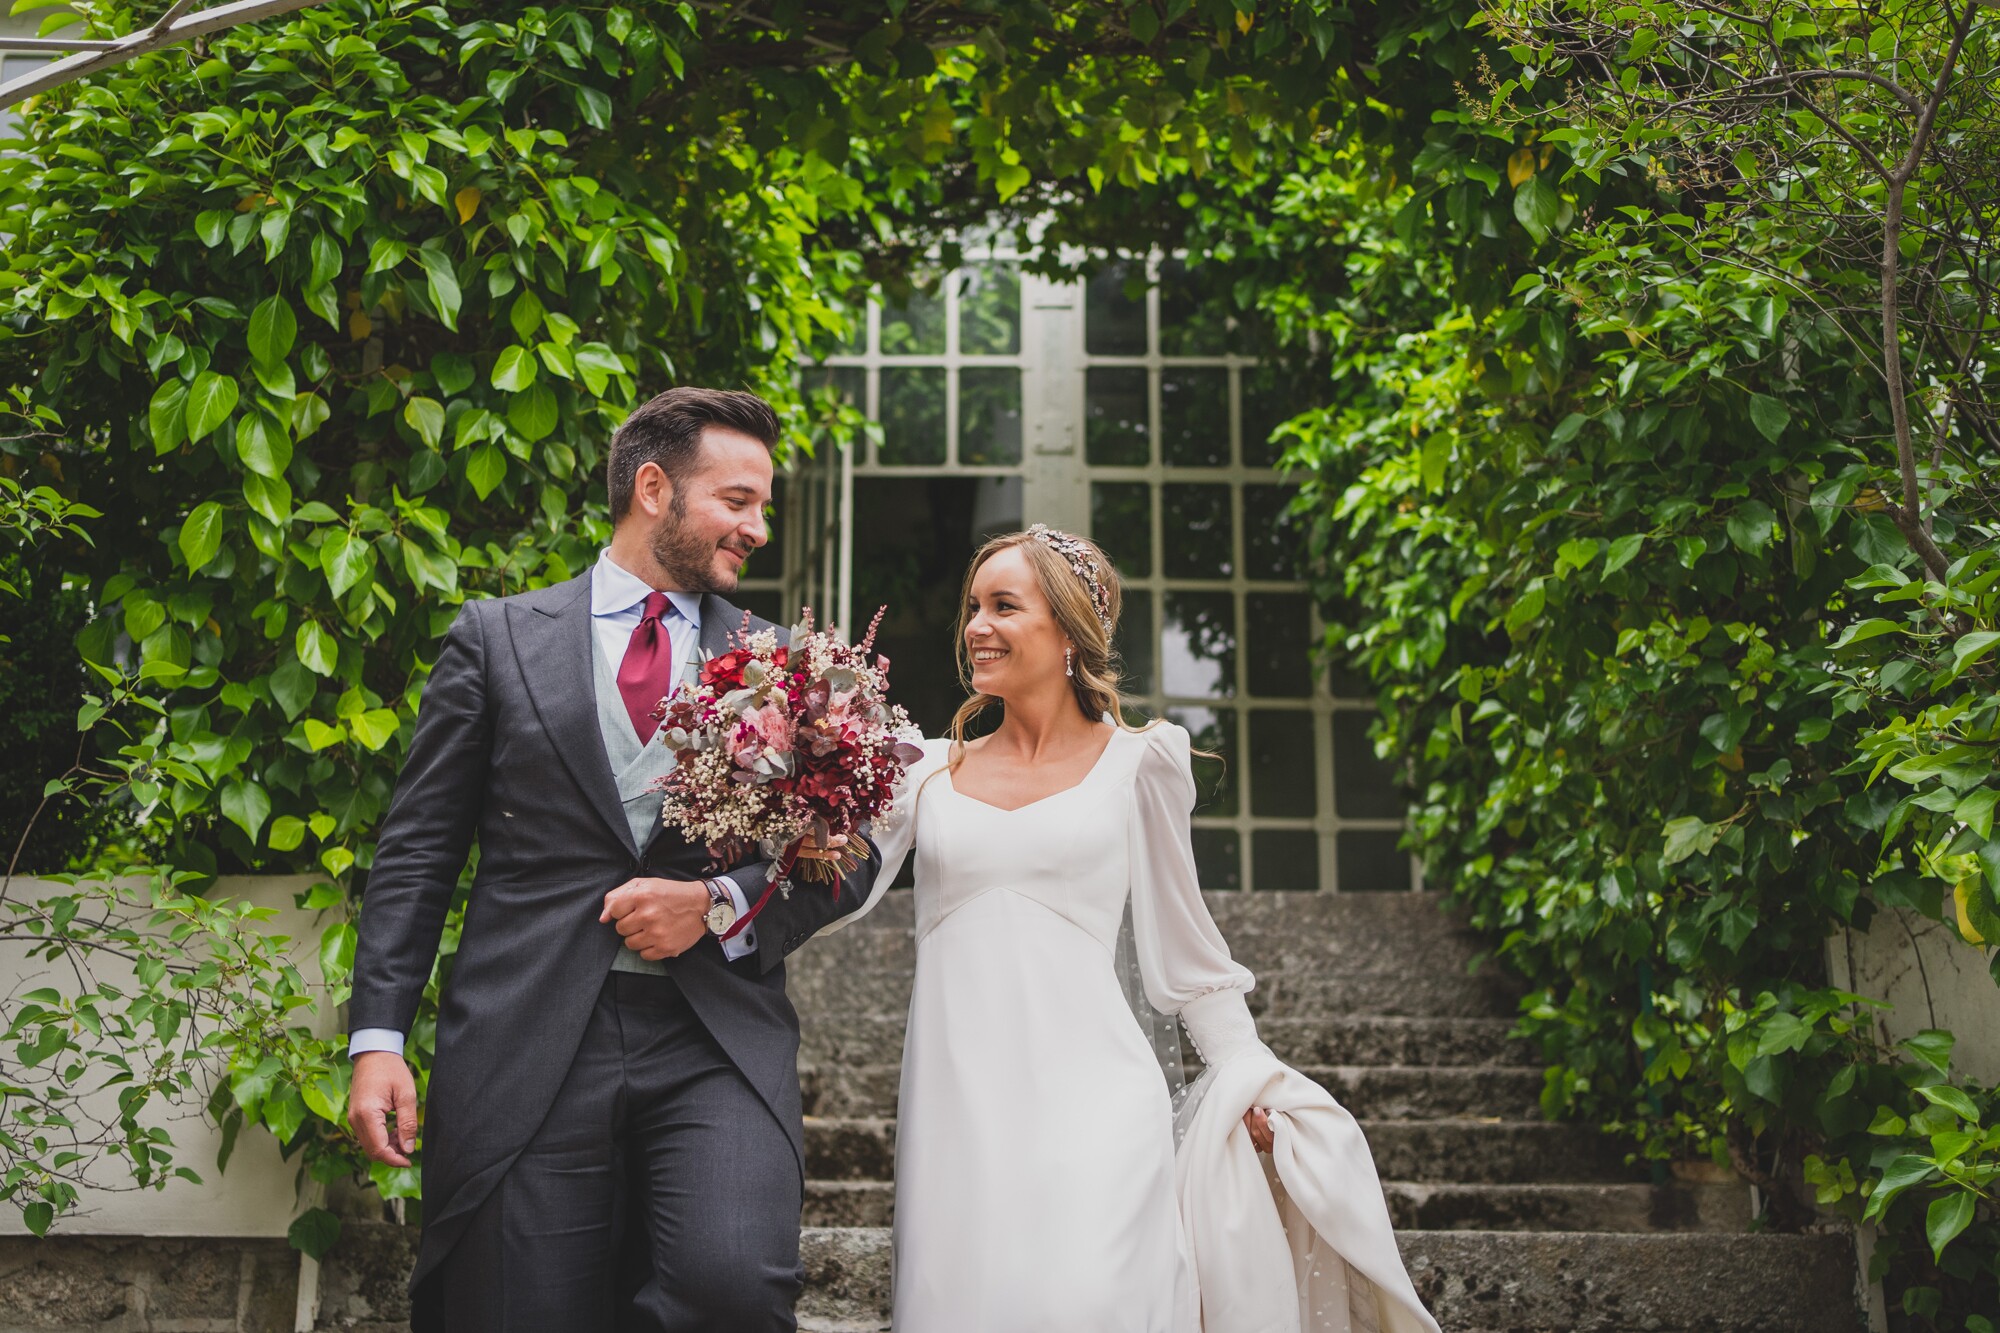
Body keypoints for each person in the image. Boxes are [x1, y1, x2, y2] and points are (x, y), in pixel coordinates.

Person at [344, 387, 879, 1333]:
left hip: (713, 1036)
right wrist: (378, 1037)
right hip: (527, 1032)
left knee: (732, 1285)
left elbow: (852, 853)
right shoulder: (497, 639)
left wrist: (717, 901)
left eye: (762, 505)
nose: (758, 528)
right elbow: (419, 850)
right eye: (737, 500)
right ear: (653, 488)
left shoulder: (786, 663)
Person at [838, 526, 1442, 1333]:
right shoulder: (922, 772)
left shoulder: (1139, 763)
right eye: (973, 606)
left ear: (1068, 632)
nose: (977, 625)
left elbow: (1190, 948)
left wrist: (1249, 1077)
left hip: (1100, 1110)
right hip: (957, 1123)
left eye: (1004, 606)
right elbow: (824, 885)